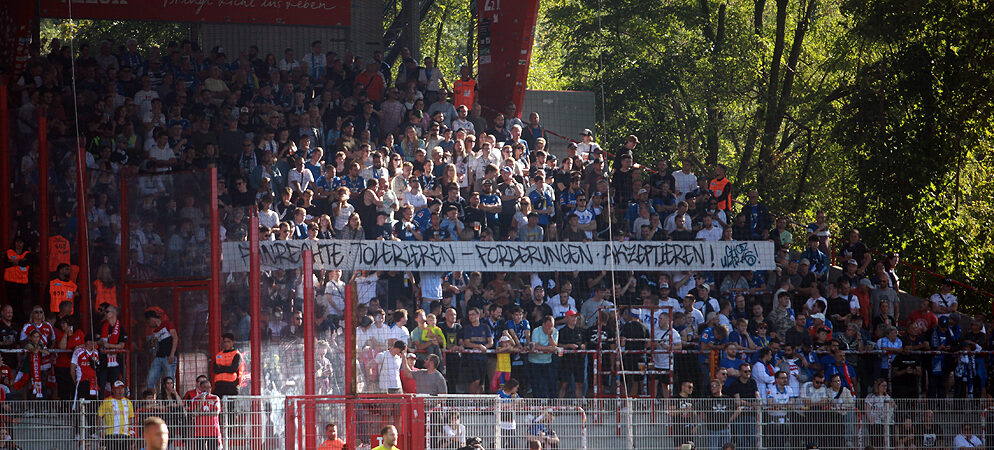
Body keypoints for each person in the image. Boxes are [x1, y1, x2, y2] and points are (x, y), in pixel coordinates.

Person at [145, 310, 178, 390]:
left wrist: (172, 354)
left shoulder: (167, 324)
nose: (149, 324)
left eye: (149, 321)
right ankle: (151, 399)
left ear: (152, 319)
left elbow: (175, 337)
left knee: (169, 381)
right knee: (150, 379)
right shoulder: (155, 331)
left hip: (168, 356)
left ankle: (170, 399)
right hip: (159, 357)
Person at [98, 380, 134, 450]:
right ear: (113, 390)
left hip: (125, 435)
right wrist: (100, 430)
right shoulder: (107, 401)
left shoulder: (128, 402)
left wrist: (131, 429)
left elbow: (131, 417)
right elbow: (99, 416)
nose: (120, 390)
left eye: (122, 388)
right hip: (111, 435)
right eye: (118, 388)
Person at [190, 378, 221, 450]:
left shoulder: (215, 398)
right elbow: (194, 414)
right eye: (205, 387)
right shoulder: (195, 399)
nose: (207, 389)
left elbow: (216, 413)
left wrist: (201, 413)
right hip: (200, 431)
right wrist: (201, 402)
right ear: (200, 388)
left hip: (212, 430)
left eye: (209, 387)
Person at [212, 332, 243, 398]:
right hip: (219, 385)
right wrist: (227, 367)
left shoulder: (236, 354)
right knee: (217, 405)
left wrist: (221, 367)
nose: (226, 344)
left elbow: (233, 369)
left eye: (228, 342)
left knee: (230, 407)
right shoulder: (219, 355)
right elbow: (215, 369)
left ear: (233, 342)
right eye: (225, 342)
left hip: (231, 385)